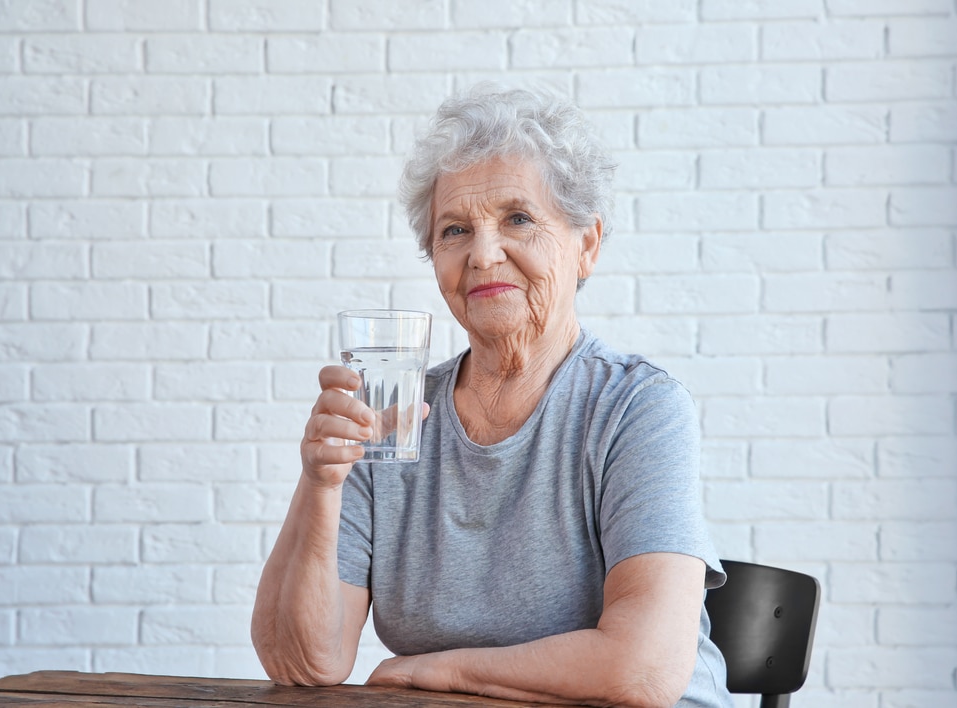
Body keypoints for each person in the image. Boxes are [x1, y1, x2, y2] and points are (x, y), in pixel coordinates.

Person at [251, 85, 733, 708]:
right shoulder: (393, 417)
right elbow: (308, 660)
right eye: (455, 230)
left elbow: (642, 671)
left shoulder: (636, 407)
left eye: (518, 219)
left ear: (586, 243)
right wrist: (320, 485)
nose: (482, 254)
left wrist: (439, 671)